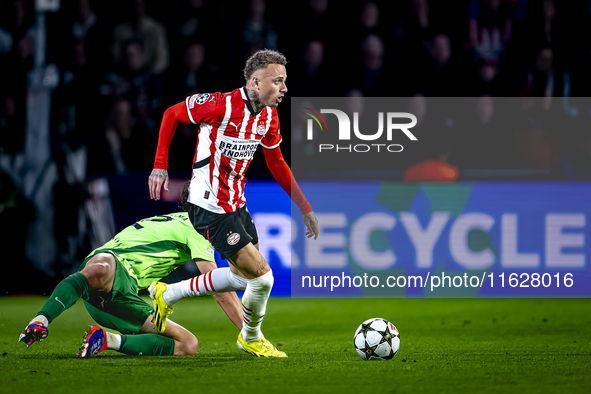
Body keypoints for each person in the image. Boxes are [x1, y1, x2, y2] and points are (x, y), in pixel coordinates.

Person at [148, 49, 319, 358]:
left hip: (236, 205)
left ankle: (169, 292)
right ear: (255, 81)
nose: (284, 89)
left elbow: (276, 162)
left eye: (285, 82)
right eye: (277, 82)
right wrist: (160, 164)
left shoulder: (268, 116)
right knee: (263, 276)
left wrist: (304, 207)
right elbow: (171, 114)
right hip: (207, 204)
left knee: (243, 277)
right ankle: (250, 336)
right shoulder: (218, 105)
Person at [19, 212, 247, 357]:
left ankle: (107, 340)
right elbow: (220, 289)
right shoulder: (197, 229)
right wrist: (250, 334)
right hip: (113, 266)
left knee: (188, 345)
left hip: (118, 302)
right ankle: (41, 320)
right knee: (101, 268)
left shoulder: (178, 219)